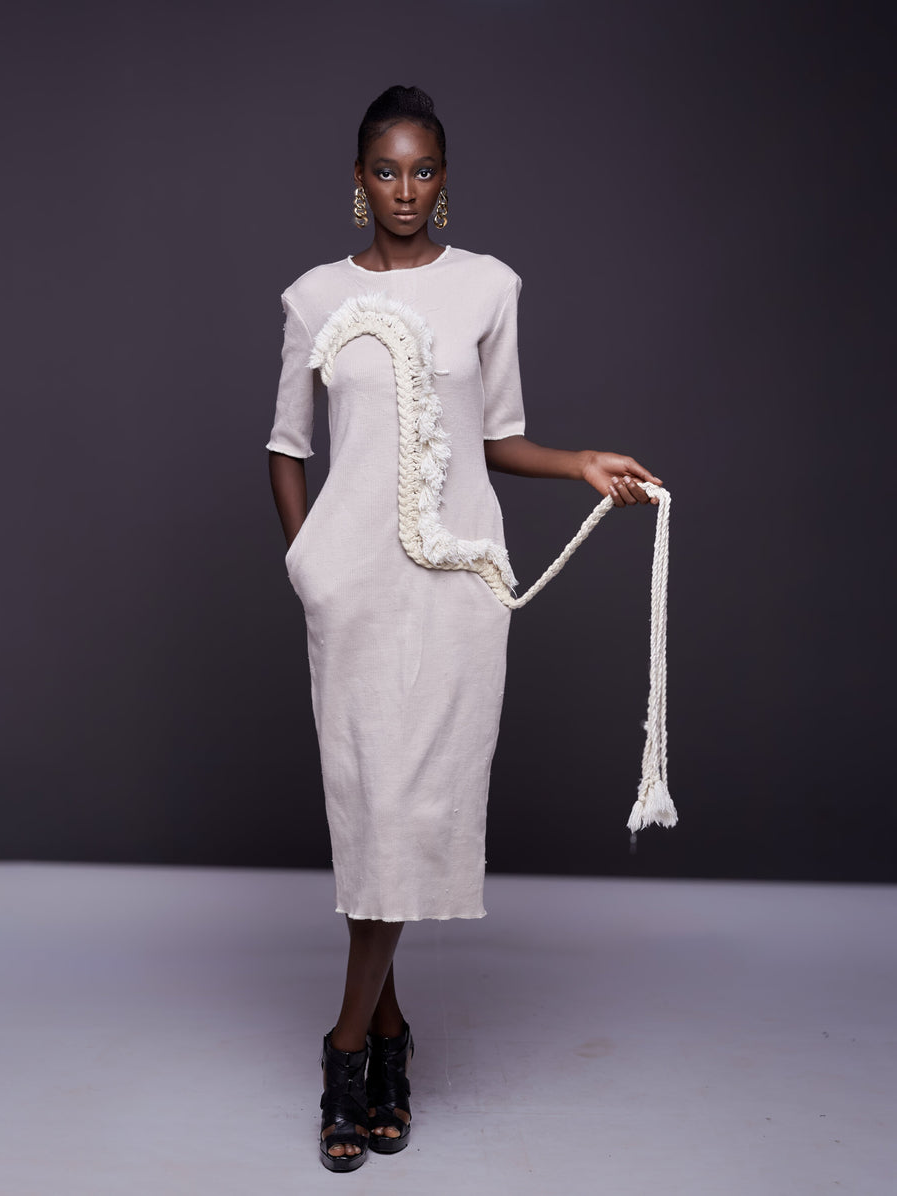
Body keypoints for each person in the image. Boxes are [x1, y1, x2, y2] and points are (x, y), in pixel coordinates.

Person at [266, 84, 664, 1173]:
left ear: (445, 177)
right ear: (359, 180)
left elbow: (497, 437)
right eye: (385, 170)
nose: (405, 189)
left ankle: (354, 1047)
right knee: (375, 813)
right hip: (355, 592)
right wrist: (310, 565)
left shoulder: (490, 286)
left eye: (423, 170)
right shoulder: (313, 297)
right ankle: (375, 1041)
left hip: (455, 588)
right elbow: (287, 447)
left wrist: (579, 462)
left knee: (410, 808)